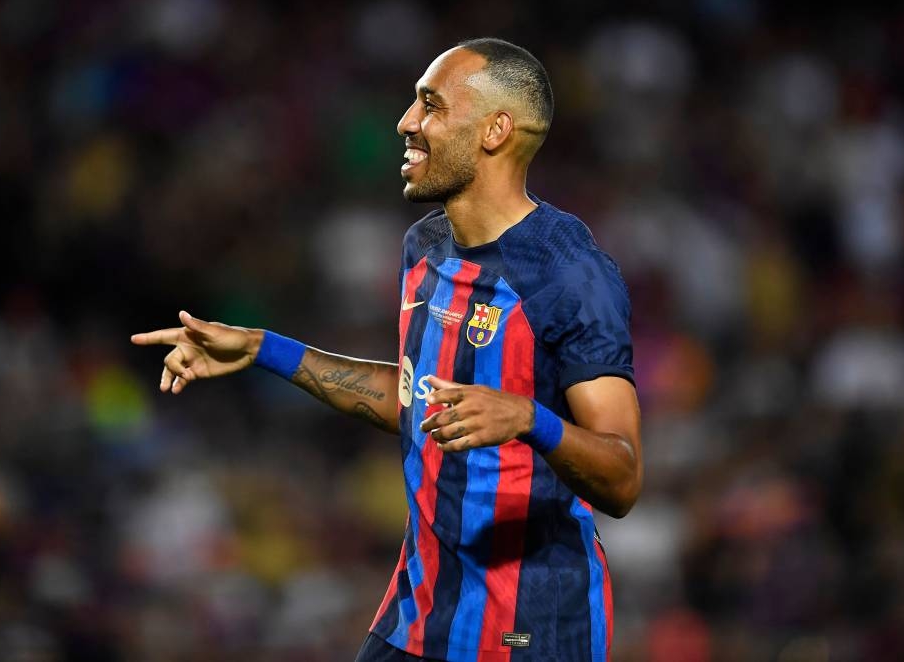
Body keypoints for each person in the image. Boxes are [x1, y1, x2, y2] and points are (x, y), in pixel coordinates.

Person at [132, 38, 642, 662]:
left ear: (495, 130)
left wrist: (528, 418)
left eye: (430, 105)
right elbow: (412, 399)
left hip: (530, 629)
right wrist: (264, 349)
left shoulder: (569, 273)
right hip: (419, 615)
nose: (406, 122)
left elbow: (622, 476)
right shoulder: (425, 247)